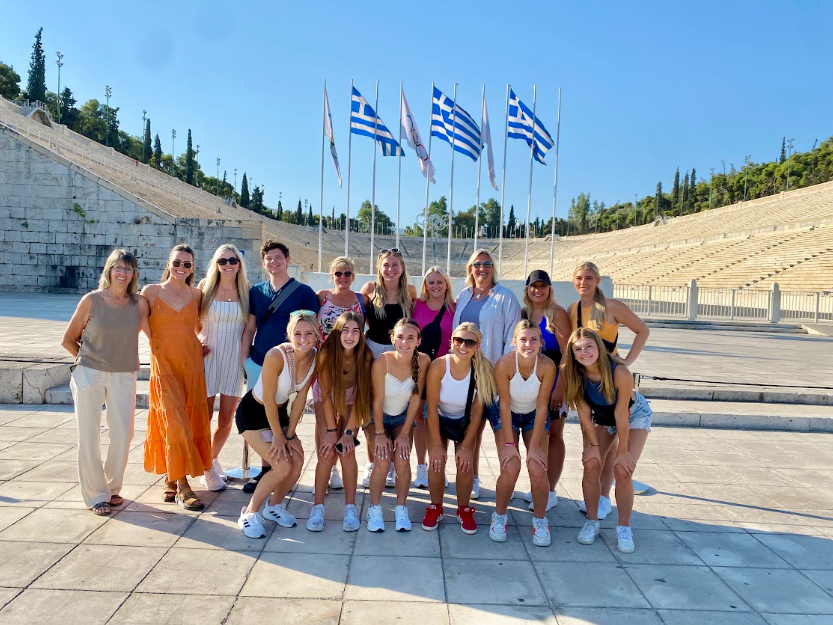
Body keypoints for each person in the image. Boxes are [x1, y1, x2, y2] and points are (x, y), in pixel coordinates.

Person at [61, 249, 151, 515]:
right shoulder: (92, 300)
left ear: (134, 274)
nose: (123, 273)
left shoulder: (140, 304)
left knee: (123, 434)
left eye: (128, 269)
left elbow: (155, 336)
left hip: (124, 374)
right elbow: (68, 339)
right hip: (89, 373)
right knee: (88, 435)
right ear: (109, 270)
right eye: (118, 268)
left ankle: (112, 488)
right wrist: (88, 360)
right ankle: (95, 495)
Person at [567, 261, 649, 520]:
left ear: (598, 280)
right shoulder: (574, 309)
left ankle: (604, 498)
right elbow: (576, 346)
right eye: (579, 278)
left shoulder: (611, 307)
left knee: (615, 448)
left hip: (613, 381)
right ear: (574, 281)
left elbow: (642, 330)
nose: (584, 282)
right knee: (595, 448)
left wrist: (627, 361)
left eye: (589, 277)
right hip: (591, 386)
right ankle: (599, 498)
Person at [563, 328, 652, 553]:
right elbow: (584, 413)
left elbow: (622, 414)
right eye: (578, 349)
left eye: (589, 346)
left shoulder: (619, 372)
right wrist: (593, 447)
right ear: (573, 353)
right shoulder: (574, 374)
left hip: (633, 415)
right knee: (591, 464)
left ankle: (624, 527)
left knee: (622, 469)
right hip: (603, 417)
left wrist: (623, 451)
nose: (584, 352)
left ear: (599, 348)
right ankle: (592, 521)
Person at [240, 240, 319, 493]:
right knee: (261, 414)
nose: (273, 262)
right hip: (260, 360)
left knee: (279, 413)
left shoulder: (303, 292)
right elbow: (250, 327)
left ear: (287, 260)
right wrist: (246, 361)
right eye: (269, 259)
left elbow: (311, 326)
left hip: (290, 363)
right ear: (264, 263)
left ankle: (278, 466)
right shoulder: (256, 292)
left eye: (278, 258)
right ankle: (267, 470)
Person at [236, 312, 319, 538]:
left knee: (298, 459)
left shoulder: (315, 356)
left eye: (308, 333)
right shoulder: (277, 355)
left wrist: (290, 435)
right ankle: (249, 513)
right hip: (254, 413)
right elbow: (269, 399)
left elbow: (301, 397)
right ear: (290, 334)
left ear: (316, 334)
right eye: (298, 334)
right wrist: (278, 436)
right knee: (281, 465)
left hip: (279, 414)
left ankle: (273, 506)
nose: (303, 339)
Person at [142, 244, 211, 511]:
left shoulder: (197, 294)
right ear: (168, 263)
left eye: (187, 264)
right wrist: (157, 344)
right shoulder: (150, 292)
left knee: (186, 421)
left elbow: (199, 327)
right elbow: (142, 323)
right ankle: (183, 486)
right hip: (164, 364)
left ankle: (171, 479)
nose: (181, 268)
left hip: (191, 363)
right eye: (177, 262)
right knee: (174, 421)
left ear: (193, 268)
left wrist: (199, 344)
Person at [453, 249, 521, 499]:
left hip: (493, 375)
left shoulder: (506, 297)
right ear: (470, 268)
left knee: (501, 429)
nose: (482, 268)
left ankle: (507, 479)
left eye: (487, 264)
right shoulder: (464, 296)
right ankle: (472, 477)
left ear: (493, 268)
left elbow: (511, 339)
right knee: (473, 429)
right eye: (477, 264)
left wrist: (502, 374)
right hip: (466, 374)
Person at [421, 323, 497, 535]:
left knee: (465, 464)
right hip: (440, 416)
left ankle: (463, 509)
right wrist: (436, 444)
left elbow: (477, 412)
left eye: (469, 342)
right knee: (436, 462)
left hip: (465, 420)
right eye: (459, 340)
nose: (463, 345)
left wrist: (465, 447)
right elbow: (432, 407)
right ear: (451, 341)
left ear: (477, 346)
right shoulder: (439, 366)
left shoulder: (482, 370)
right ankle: (436, 506)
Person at [490, 320, 557, 546]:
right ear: (514, 342)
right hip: (507, 412)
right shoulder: (505, 363)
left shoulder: (547, 365)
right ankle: (499, 516)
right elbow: (505, 404)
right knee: (511, 466)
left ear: (541, 343)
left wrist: (535, 447)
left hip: (533, 414)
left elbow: (541, 406)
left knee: (537, 467)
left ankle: (540, 520)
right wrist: (510, 445)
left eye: (533, 339)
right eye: (523, 339)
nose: (528, 344)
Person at [307, 311, 373, 532]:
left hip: (353, 400)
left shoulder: (365, 356)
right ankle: (317, 507)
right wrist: (332, 430)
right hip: (326, 399)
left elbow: (362, 397)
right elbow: (325, 394)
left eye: (356, 330)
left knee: (347, 451)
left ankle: (350, 507)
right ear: (338, 331)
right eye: (345, 330)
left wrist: (348, 432)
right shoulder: (326, 353)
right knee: (327, 450)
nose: (350, 335)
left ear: (361, 334)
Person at [359, 249, 418, 489]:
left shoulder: (411, 292)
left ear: (402, 267)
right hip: (374, 349)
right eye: (386, 265)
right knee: (371, 405)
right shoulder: (370, 289)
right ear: (379, 267)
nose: (391, 269)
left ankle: (393, 463)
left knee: (399, 401)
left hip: (401, 350)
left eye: (395, 265)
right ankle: (373, 460)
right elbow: (360, 321)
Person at [367, 319, 430, 532]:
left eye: (411, 338)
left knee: (402, 459)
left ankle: (401, 507)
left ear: (418, 341)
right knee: (383, 461)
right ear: (392, 338)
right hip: (377, 418)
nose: (405, 342)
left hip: (403, 417)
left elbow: (416, 398)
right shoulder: (381, 362)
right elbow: (376, 401)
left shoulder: (423, 361)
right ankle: (374, 509)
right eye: (400, 337)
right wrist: (379, 433)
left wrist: (404, 433)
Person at [197, 244, 249, 492]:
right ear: (216, 264)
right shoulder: (203, 289)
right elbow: (192, 325)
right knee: (204, 417)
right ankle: (206, 469)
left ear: (239, 263)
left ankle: (211, 458)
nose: (228, 264)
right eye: (223, 260)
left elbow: (250, 328)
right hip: (207, 357)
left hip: (234, 359)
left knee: (227, 419)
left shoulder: (246, 291)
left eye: (233, 260)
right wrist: (197, 344)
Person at [520, 270, 571, 512]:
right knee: (537, 436)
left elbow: (567, 353)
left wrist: (560, 386)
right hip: (531, 383)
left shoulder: (557, 313)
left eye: (543, 286)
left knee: (554, 436)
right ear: (527, 289)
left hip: (555, 382)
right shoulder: (524, 313)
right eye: (533, 286)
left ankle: (550, 490)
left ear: (549, 288)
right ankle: (538, 486)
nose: (538, 290)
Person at [315, 256, 367, 491]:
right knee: (325, 424)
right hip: (326, 362)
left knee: (346, 422)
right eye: (338, 273)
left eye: (347, 273)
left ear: (353, 277)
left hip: (352, 363)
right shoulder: (322, 296)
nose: (343, 278)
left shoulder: (361, 299)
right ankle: (328, 468)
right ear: (332, 275)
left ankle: (340, 463)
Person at [411, 266, 456, 489]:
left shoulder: (454, 308)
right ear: (425, 285)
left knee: (438, 419)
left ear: (446, 284)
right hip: (419, 368)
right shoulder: (415, 305)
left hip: (444, 371)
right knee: (419, 419)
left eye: (440, 282)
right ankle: (421, 467)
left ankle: (438, 466)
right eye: (431, 282)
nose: (436, 286)